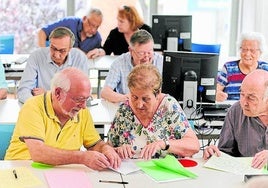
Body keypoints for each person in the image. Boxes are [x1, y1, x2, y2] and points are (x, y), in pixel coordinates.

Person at [5, 67, 121, 171]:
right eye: (79, 99)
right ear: (58, 93)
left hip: (61, 173)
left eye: (87, 99)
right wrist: (82, 157)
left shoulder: (82, 111)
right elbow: (38, 153)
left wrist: (106, 148)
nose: (84, 106)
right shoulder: (33, 107)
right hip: (22, 170)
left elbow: (95, 144)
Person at [107, 64, 200, 160]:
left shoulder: (168, 106)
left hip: (165, 171)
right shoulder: (124, 110)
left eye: (145, 99)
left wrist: (164, 144)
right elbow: (107, 148)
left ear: (157, 94)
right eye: (134, 97)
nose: (139, 104)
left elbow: (194, 145)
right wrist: (118, 150)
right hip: (131, 172)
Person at [203, 69, 268, 169]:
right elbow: (226, 153)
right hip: (245, 178)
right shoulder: (236, 111)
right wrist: (214, 154)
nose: (244, 102)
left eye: (251, 98)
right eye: (242, 94)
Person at [18, 27, 89, 104]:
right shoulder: (36, 56)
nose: (56, 55)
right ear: (49, 43)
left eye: (62, 51)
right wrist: (38, 106)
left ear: (70, 49)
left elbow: (82, 94)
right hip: (41, 107)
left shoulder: (80, 58)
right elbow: (23, 91)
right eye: (53, 48)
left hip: (70, 111)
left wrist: (48, 96)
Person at [100, 29, 163, 103]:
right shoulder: (120, 62)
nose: (146, 57)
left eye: (149, 52)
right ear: (131, 50)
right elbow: (105, 92)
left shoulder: (161, 61)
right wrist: (127, 98)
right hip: (128, 107)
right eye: (141, 53)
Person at [216, 31, 268, 102]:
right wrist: (218, 94)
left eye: (252, 51)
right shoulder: (229, 68)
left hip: (257, 111)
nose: (247, 54)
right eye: (244, 50)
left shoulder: (265, 68)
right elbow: (216, 90)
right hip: (232, 109)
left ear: (260, 52)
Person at [37, 8, 103, 59]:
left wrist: (98, 52)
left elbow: (99, 53)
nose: (93, 30)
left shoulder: (97, 39)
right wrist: (44, 55)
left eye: (97, 27)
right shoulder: (69, 23)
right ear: (84, 18)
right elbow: (42, 32)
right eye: (91, 25)